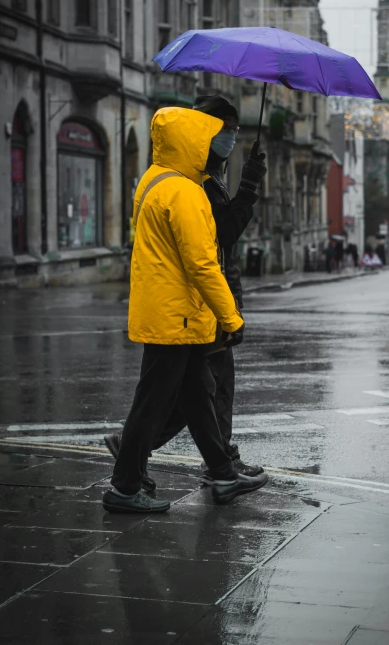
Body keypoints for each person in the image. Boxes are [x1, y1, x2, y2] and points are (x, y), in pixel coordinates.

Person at [102, 106, 268, 514]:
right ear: (194, 141)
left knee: (197, 395)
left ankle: (224, 475)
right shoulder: (185, 192)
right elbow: (203, 263)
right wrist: (231, 318)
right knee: (152, 403)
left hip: (171, 311)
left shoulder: (155, 180)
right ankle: (124, 488)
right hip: (176, 314)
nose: (220, 144)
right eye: (214, 136)